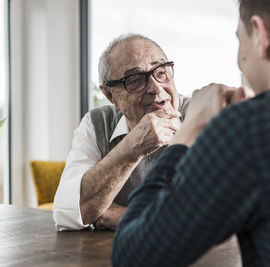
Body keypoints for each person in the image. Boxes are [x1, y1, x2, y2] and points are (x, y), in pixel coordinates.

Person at [112, 1, 270, 266]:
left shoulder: (251, 130)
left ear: (260, 34)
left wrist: (186, 134)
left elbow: (134, 255)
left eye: (239, 38)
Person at [53, 34, 190, 231]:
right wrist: (133, 147)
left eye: (161, 72)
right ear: (110, 95)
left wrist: (120, 215)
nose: (156, 88)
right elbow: (68, 213)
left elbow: (216, 214)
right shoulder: (97, 122)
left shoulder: (199, 114)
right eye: (135, 80)